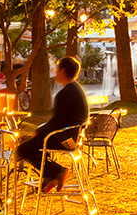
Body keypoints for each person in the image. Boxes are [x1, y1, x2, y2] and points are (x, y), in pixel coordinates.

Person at [16, 56, 88, 193]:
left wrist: (39, 131)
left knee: (23, 149)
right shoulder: (76, 90)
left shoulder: (65, 93)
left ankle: (56, 172)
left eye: (57, 69)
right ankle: (50, 176)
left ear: (63, 71)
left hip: (65, 138)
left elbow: (57, 121)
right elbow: (60, 120)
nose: (55, 72)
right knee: (30, 146)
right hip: (74, 138)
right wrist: (41, 130)